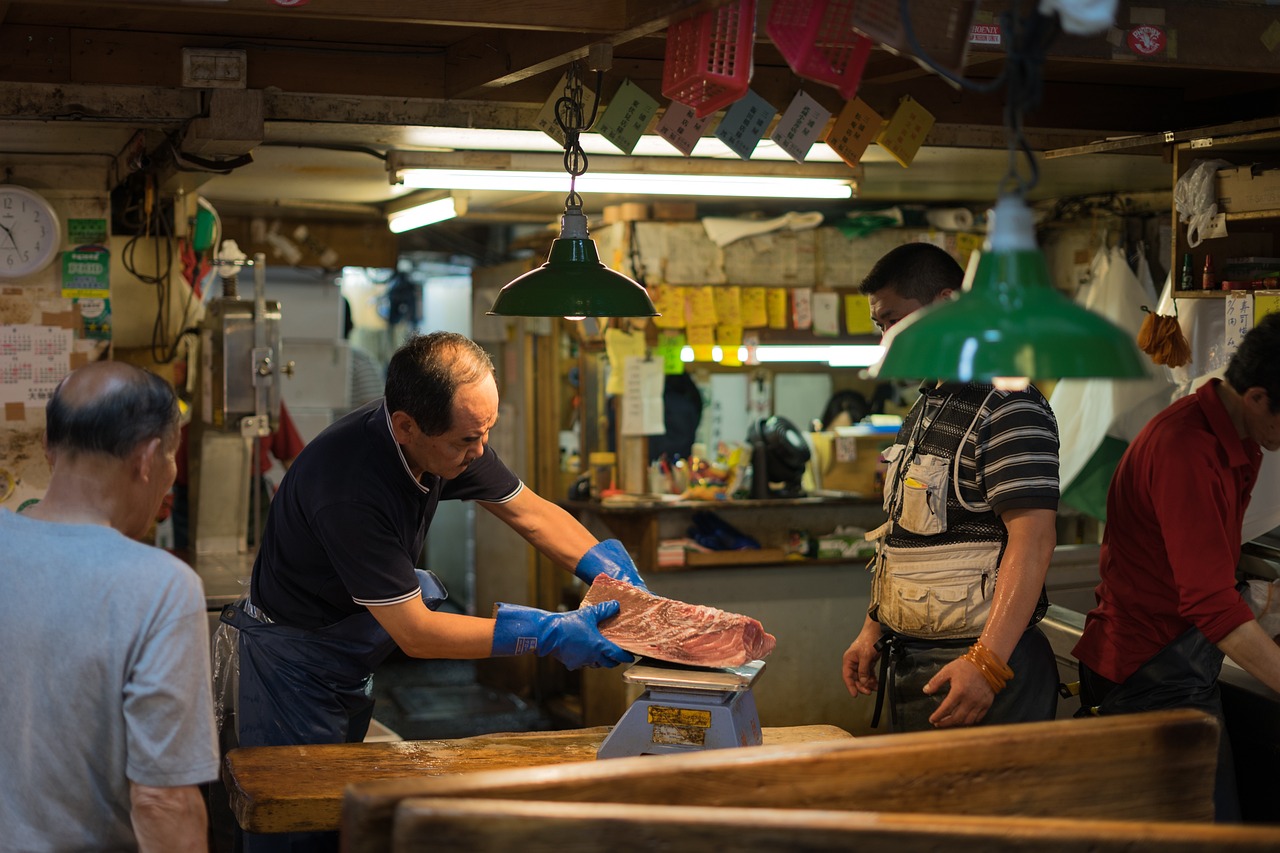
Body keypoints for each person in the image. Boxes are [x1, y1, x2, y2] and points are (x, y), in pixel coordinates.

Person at [223, 331, 644, 852]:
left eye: (485, 433)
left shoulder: (446, 441)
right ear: (406, 426)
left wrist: (607, 572)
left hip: (347, 649)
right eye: (467, 440)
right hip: (293, 664)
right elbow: (417, 633)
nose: (480, 451)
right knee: (296, 821)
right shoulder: (351, 488)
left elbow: (531, 513)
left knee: (338, 807)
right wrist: (547, 633)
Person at [841, 242, 1062, 732]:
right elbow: (904, 534)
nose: (886, 340)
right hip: (918, 662)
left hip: (982, 673)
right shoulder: (928, 403)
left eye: (894, 321)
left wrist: (987, 664)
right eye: (880, 326)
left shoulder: (1009, 405)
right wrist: (874, 628)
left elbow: (1034, 540)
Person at [0, 361, 219, 851]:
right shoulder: (161, 587)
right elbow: (162, 802)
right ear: (147, 459)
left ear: (48, 447)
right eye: (171, 458)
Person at [1073, 312, 1280, 822]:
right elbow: (1210, 604)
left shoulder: (1240, 438)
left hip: (1177, 660)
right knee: (1200, 834)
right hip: (1148, 672)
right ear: (1257, 397)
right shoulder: (1185, 447)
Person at [171, 399, 305, 550]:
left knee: (256, 556)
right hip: (190, 501)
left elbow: (292, 458)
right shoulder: (177, 399)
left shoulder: (261, 396)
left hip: (252, 500)